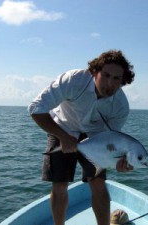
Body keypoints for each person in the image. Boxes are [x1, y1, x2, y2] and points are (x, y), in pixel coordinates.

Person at [28, 50, 135, 225]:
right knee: (59, 184)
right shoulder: (72, 80)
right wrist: (63, 136)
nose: (110, 83)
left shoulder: (121, 106)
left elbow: (111, 141)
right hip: (62, 127)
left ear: (123, 80)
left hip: (96, 137)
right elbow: (35, 108)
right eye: (106, 75)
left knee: (98, 183)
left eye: (117, 79)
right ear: (95, 72)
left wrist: (119, 161)